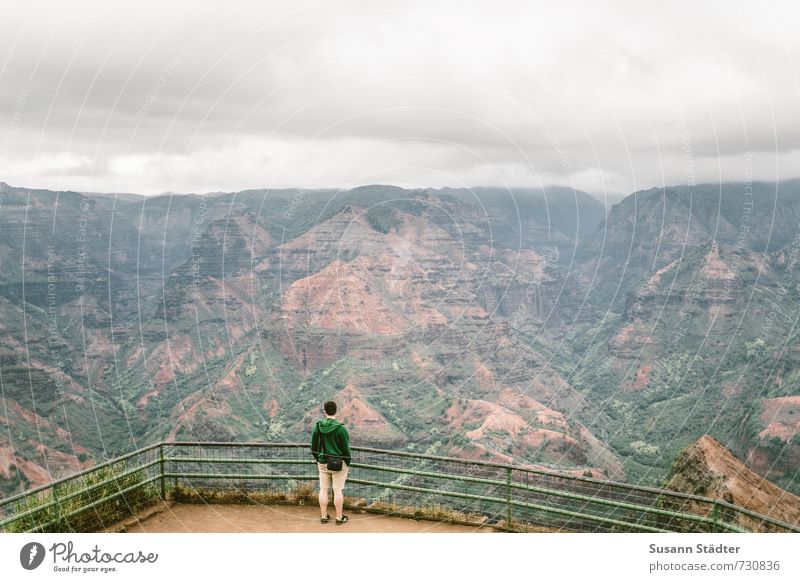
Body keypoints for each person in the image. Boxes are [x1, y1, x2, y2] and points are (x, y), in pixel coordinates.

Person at [310, 400, 352, 525]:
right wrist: (347, 462)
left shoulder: (318, 427)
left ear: (325, 411)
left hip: (323, 462)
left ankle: (324, 516)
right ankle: (339, 517)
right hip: (338, 463)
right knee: (338, 490)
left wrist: (318, 458)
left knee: (323, 489)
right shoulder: (340, 428)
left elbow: (313, 446)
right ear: (336, 410)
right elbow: (346, 448)